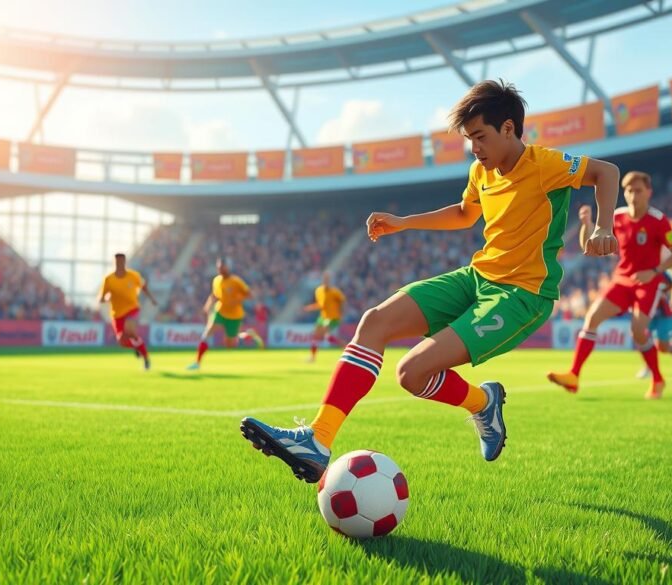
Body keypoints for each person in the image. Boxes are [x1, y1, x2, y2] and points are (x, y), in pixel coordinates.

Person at [239, 79, 619, 483]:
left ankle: (481, 401)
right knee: (374, 322)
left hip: (521, 295)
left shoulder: (545, 164)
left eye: (480, 136)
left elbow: (605, 172)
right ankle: (317, 439)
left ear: (509, 128)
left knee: (412, 373)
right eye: (470, 139)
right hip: (476, 277)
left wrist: (603, 226)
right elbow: (463, 213)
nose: (475, 148)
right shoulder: (481, 171)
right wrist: (404, 223)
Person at [548, 171, 672, 399]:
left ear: (648, 192)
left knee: (639, 332)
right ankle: (573, 376)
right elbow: (590, 246)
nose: (633, 195)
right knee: (591, 319)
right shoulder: (617, 217)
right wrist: (587, 224)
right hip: (621, 279)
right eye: (629, 191)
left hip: (647, 283)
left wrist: (655, 272)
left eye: (638, 190)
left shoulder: (659, 221)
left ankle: (658, 378)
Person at [187, 258, 264, 370]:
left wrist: (237, 300)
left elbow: (250, 294)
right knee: (206, 334)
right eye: (219, 268)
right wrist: (207, 306)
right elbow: (215, 295)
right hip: (220, 312)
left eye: (222, 267)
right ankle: (197, 363)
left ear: (228, 267)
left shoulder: (236, 281)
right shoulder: (216, 280)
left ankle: (248, 335)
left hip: (234, 315)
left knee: (230, 345)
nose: (220, 270)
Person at [99, 253, 156, 370]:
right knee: (121, 341)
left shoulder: (133, 276)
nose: (119, 264)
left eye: (122, 262)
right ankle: (137, 348)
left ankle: (146, 358)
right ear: (114, 263)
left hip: (132, 309)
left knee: (131, 332)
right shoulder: (108, 279)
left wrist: (152, 299)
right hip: (117, 314)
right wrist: (107, 298)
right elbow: (101, 298)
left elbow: (143, 287)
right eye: (117, 262)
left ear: (125, 262)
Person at [635, 271, 672, 379]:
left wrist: (666, 295)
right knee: (640, 337)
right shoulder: (636, 271)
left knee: (663, 347)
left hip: (664, 314)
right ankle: (648, 366)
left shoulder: (661, 273)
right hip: (647, 313)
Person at [303, 271, 346, 362]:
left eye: (328, 279)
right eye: (324, 279)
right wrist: (310, 308)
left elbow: (342, 301)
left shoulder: (335, 292)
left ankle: (345, 348)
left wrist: (341, 314)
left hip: (333, 317)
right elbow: (321, 305)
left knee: (324, 334)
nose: (326, 281)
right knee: (317, 336)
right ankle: (312, 357)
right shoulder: (319, 291)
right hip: (323, 317)